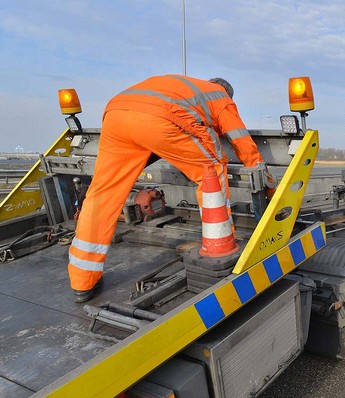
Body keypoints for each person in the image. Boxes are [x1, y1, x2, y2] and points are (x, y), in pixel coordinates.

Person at [68, 74, 273, 303]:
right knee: (211, 171)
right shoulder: (221, 96)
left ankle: (82, 280)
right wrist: (260, 172)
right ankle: (219, 250)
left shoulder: (186, 88)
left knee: (103, 193)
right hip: (159, 117)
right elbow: (239, 137)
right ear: (226, 91)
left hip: (115, 114)